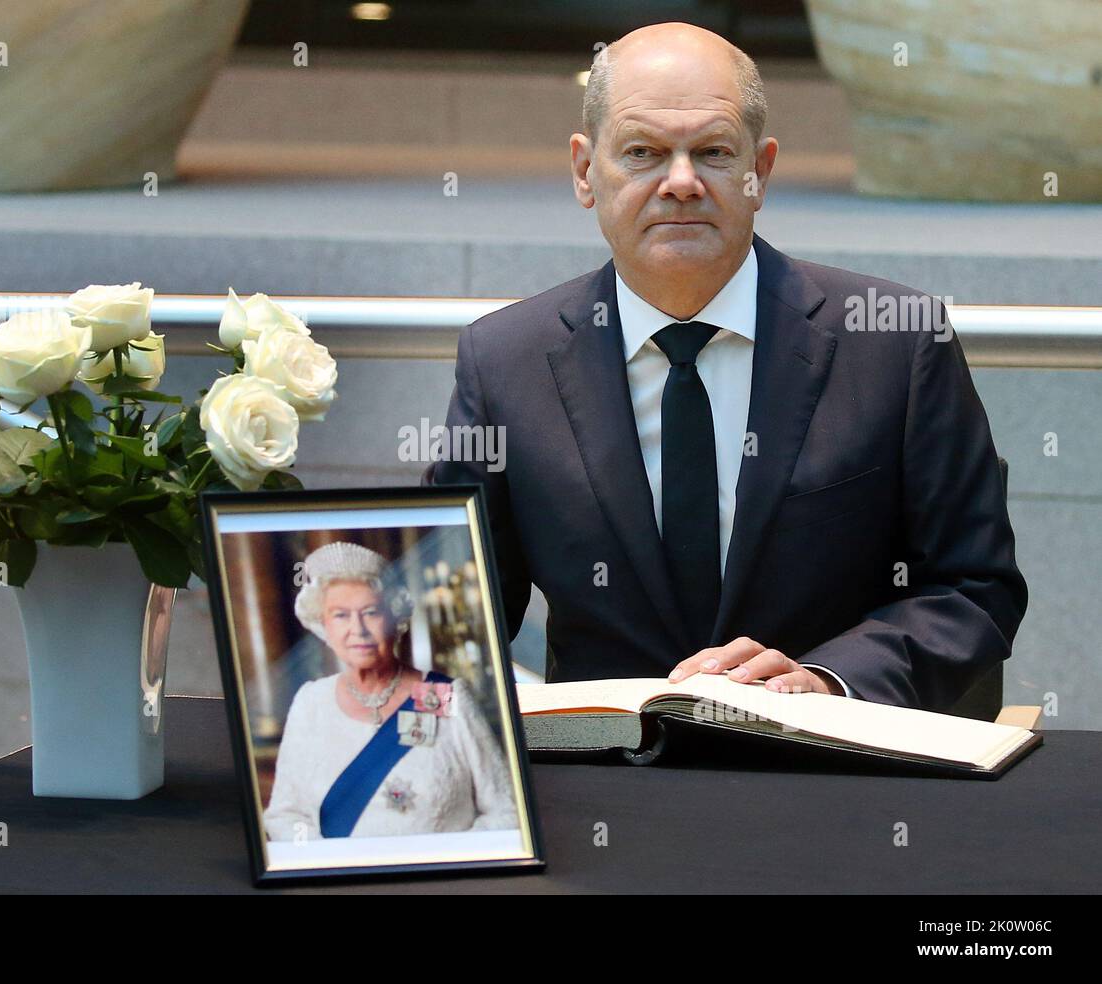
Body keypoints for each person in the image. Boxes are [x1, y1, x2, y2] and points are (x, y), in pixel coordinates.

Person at [423, 23, 1028, 711]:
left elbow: (972, 588)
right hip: (606, 788)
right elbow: (456, 621)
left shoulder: (896, 344)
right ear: (585, 172)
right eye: (643, 152)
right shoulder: (504, 361)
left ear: (760, 172)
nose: (680, 182)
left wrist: (829, 681)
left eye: (712, 152)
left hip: (828, 772)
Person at [262, 540, 519, 841]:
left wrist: (446, 859)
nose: (357, 629)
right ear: (323, 626)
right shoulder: (310, 702)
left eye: (371, 612)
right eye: (340, 615)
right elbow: (284, 815)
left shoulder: (446, 696)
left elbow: (507, 812)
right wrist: (333, 868)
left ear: (394, 618)